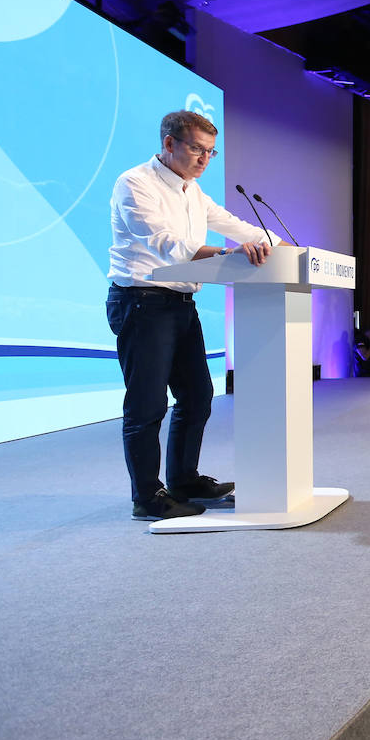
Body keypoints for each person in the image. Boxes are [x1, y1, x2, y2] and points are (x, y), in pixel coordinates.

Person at [107, 110, 274, 520]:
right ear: (169, 144)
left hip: (181, 304)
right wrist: (223, 253)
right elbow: (165, 243)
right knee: (147, 407)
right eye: (197, 149)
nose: (204, 159)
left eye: (210, 152)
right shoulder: (134, 183)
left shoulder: (193, 192)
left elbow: (232, 224)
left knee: (198, 396)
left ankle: (183, 479)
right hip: (140, 302)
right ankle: (146, 497)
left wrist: (276, 243)